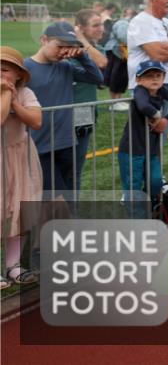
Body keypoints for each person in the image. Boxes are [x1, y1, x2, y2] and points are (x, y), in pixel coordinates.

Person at [23, 22, 104, 194]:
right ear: (44, 40)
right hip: (39, 145)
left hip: (66, 143)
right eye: (59, 46)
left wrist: (82, 56)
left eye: (69, 47)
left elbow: (97, 78)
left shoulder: (66, 66)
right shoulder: (26, 68)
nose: (63, 52)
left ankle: (69, 219)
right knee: (54, 195)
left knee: (68, 188)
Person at [119, 60, 168, 217]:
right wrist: (157, 116)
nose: (154, 79)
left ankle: (147, 204)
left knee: (156, 181)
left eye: (158, 75)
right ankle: (136, 221)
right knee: (133, 186)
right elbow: (143, 106)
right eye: (149, 76)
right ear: (139, 80)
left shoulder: (162, 90)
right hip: (132, 150)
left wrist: (166, 121)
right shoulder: (140, 91)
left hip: (152, 150)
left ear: (164, 78)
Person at [1, 47, 43, 288]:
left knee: (19, 210)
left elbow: (36, 121)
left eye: (5, 70)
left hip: (20, 157)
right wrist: (6, 95)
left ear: (18, 75)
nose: (0, 74)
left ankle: (13, 266)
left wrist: (16, 101)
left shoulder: (26, 93)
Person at [70, 9, 109, 192]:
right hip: (63, 112)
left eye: (101, 24)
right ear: (81, 28)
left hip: (84, 113)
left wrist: (83, 41)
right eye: (96, 25)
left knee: (76, 169)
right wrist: (78, 40)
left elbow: (101, 62)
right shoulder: (67, 46)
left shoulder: (96, 49)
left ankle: (71, 212)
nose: (101, 29)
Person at [104, 7, 135, 110]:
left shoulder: (127, 23)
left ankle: (118, 100)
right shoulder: (124, 23)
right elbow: (123, 37)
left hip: (120, 52)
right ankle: (114, 102)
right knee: (116, 77)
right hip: (116, 51)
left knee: (121, 77)